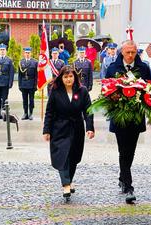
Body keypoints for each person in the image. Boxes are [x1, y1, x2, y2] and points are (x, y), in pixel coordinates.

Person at [105, 40, 151, 204]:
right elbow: (106, 92)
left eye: (133, 52)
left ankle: (122, 177)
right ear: (121, 53)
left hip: (136, 117)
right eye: (127, 53)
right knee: (123, 150)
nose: (131, 56)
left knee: (130, 151)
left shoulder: (144, 68)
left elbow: (149, 89)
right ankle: (129, 186)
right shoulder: (112, 68)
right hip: (120, 117)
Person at [43, 66, 94, 201]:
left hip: (76, 128)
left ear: (74, 77)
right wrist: (46, 130)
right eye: (65, 77)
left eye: (70, 76)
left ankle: (69, 180)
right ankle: (65, 184)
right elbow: (49, 112)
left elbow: (88, 110)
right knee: (62, 156)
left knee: (73, 157)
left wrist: (90, 127)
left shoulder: (82, 91)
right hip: (59, 128)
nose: (68, 79)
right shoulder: (55, 90)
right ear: (61, 78)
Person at [18, 47, 38, 120]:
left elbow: (36, 75)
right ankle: (25, 113)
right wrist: (19, 85)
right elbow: (20, 75)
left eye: (28, 53)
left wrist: (36, 85)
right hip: (23, 84)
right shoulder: (21, 62)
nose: (27, 54)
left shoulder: (35, 62)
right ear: (24, 53)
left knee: (31, 100)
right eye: (26, 53)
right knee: (24, 100)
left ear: (31, 53)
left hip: (31, 83)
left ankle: (31, 113)